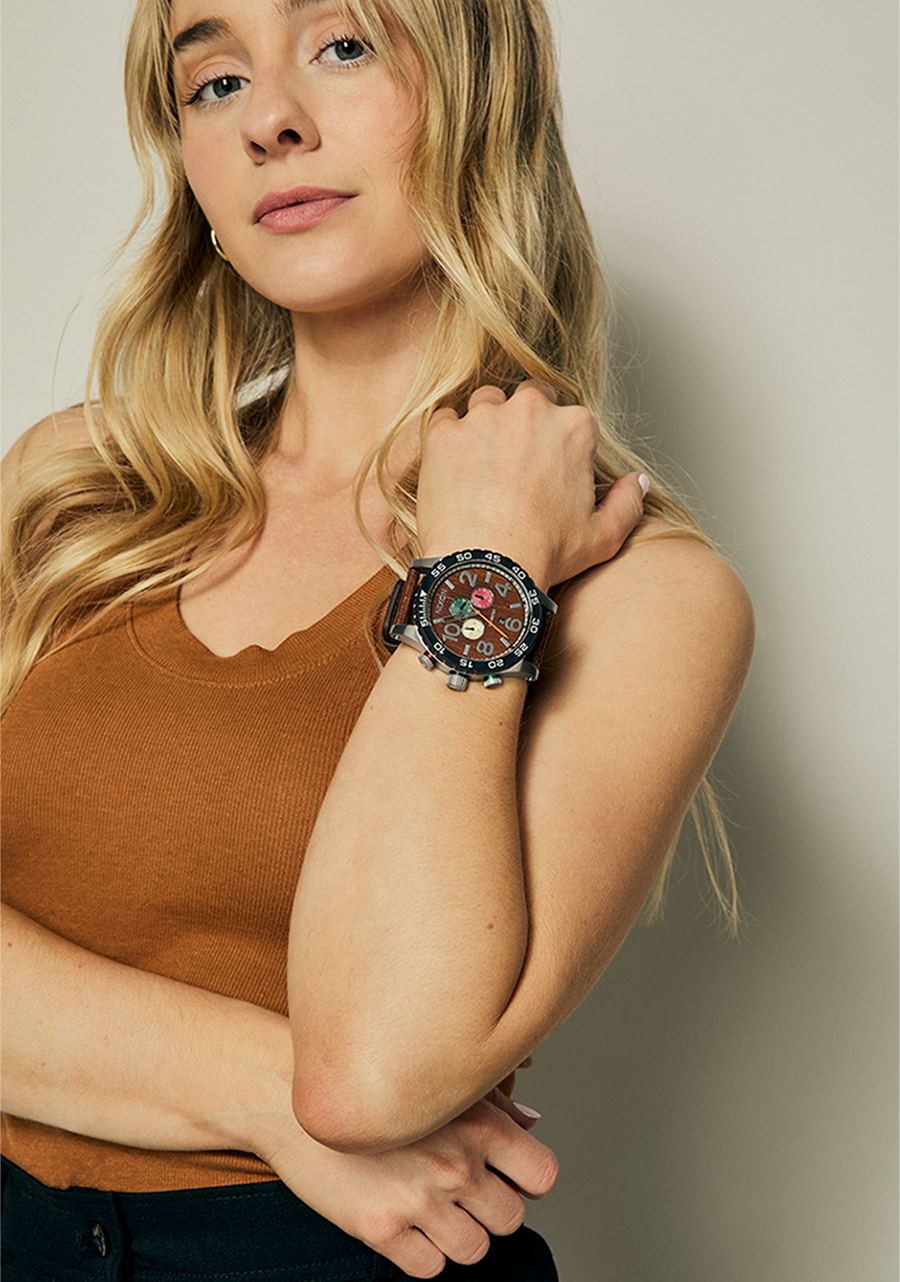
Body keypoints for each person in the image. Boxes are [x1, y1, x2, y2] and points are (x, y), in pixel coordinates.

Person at [0, 0, 754, 1277]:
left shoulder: (646, 597)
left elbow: (372, 1073)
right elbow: (325, 1106)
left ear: (480, 96)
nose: (270, 120)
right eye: (215, 81)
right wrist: (263, 1097)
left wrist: (483, 569)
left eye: (342, 46)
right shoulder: (78, 497)